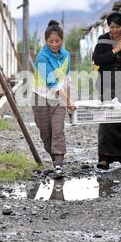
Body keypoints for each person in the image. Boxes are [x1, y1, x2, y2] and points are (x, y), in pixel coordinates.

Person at [92, 12, 121, 170]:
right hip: (108, 83)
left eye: (117, 27)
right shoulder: (103, 40)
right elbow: (97, 59)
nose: (114, 30)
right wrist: (114, 51)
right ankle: (104, 158)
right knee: (107, 119)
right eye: (111, 27)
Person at [32, 20, 75, 176]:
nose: (54, 44)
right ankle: (53, 158)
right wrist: (69, 100)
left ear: (62, 40)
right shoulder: (41, 57)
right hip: (41, 98)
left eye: (57, 41)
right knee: (46, 133)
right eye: (51, 41)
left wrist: (69, 100)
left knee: (58, 130)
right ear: (46, 41)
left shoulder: (66, 55)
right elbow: (52, 84)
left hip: (58, 99)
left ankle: (58, 164)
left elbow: (67, 79)